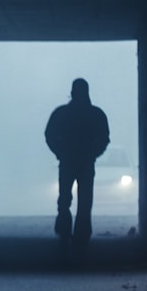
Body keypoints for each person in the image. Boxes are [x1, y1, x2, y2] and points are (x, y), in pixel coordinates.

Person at [44, 77, 110, 257]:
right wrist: (93, 153)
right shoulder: (96, 114)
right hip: (85, 163)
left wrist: (60, 151)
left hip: (68, 161)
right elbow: (104, 138)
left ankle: (65, 234)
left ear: (72, 92)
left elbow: (50, 135)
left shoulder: (62, 113)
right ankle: (81, 237)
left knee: (65, 199)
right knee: (84, 201)